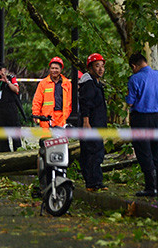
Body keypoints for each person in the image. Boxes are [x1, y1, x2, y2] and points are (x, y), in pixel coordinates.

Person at [126, 53, 158, 197]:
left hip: (140, 119)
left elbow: (130, 102)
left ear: (134, 66)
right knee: (157, 152)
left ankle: (151, 188)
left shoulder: (135, 79)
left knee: (144, 153)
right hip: (157, 118)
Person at [78, 53, 108, 191]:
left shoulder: (96, 83)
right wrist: (86, 122)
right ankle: (93, 182)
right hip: (91, 125)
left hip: (97, 123)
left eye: (102, 66)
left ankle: (94, 181)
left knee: (94, 152)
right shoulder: (89, 83)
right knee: (94, 152)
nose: (101, 69)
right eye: (97, 66)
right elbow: (86, 103)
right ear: (90, 68)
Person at [32, 57, 72, 132]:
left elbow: (70, 101)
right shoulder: (43, 83)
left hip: (62, 117)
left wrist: (67, 115)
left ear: (61, 69)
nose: (54, 70)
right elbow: (37, 100)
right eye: (52, 68)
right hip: (47, 118)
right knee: (47, 140)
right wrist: (35, 114)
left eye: (56, 68)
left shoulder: (67, 84)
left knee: (61, 141)